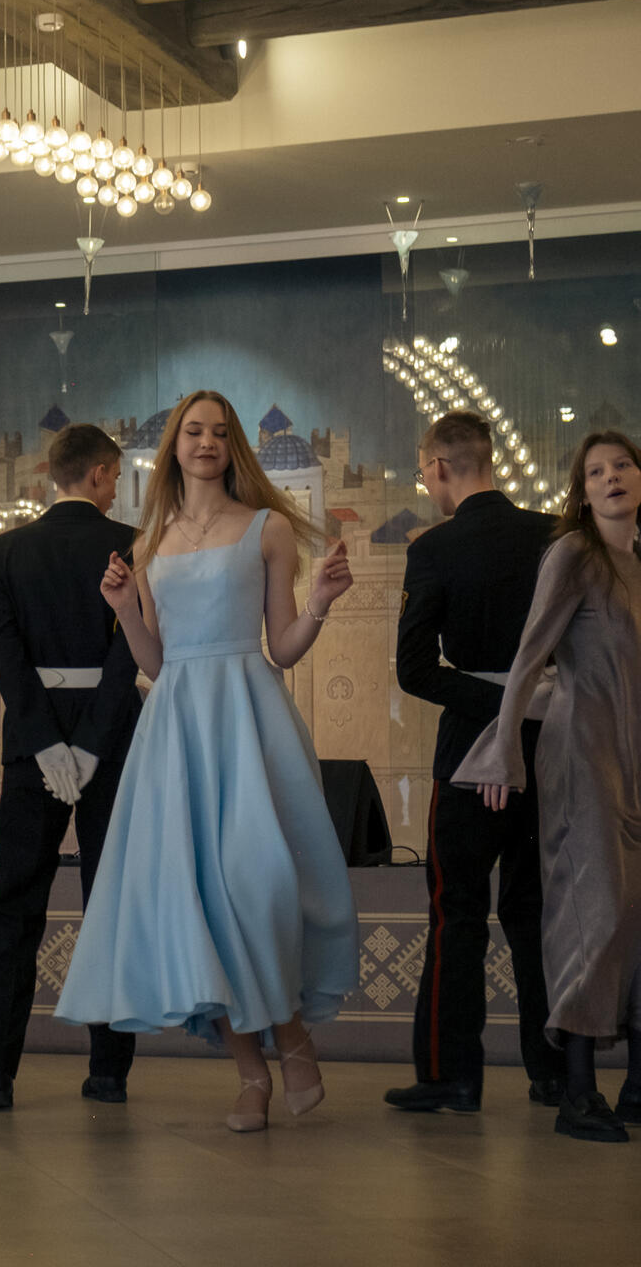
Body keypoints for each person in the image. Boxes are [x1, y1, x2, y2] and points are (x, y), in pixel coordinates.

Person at [52, 390, 358, 1133]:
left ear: (234, 445)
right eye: (193, 431)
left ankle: (292, 1034)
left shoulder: (267, 529)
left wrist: (319, 600)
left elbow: (283, 647)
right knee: (196, 905)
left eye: (220, 432)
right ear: (175, 448)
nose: (206, 442)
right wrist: (124, 611)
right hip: (175, 729)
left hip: (248, 721)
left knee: (256, 885)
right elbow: (155, 661)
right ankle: (252, 1075)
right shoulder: (148, 545)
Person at [455, 430, 641, 1144]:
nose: (611, 477)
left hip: (634, 755)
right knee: (593, 911)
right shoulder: (572, 555)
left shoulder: (638, 565)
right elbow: (529, 657)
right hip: (581, 752)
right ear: (582, 492)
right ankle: (578, 1092)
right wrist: (503, 752)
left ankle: (635, 1087)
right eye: (595, 472)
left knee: (636, 914)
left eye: (622, 465)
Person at [387, 411, 567, 1115]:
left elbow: (413, 669)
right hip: (549, 743)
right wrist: (524, 702)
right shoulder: (554, 535)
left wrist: (493, 704)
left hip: (466, 750)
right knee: (537, 912)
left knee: (456, 913)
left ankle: (450, 1076)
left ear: (437, 467)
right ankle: (555, 1074)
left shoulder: (433, 548)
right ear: (490, 458)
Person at [0, 424, 141, 1112]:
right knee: (110, 904)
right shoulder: (133, 544)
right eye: (115, 476)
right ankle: (109, 1073)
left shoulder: (5, 550)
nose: (115, 488)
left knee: (14, 908)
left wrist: (44, 741)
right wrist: (93, 742)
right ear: (100, 474)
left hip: (30, 747)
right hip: (112, 740)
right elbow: (131, 650)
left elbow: (5, 653)